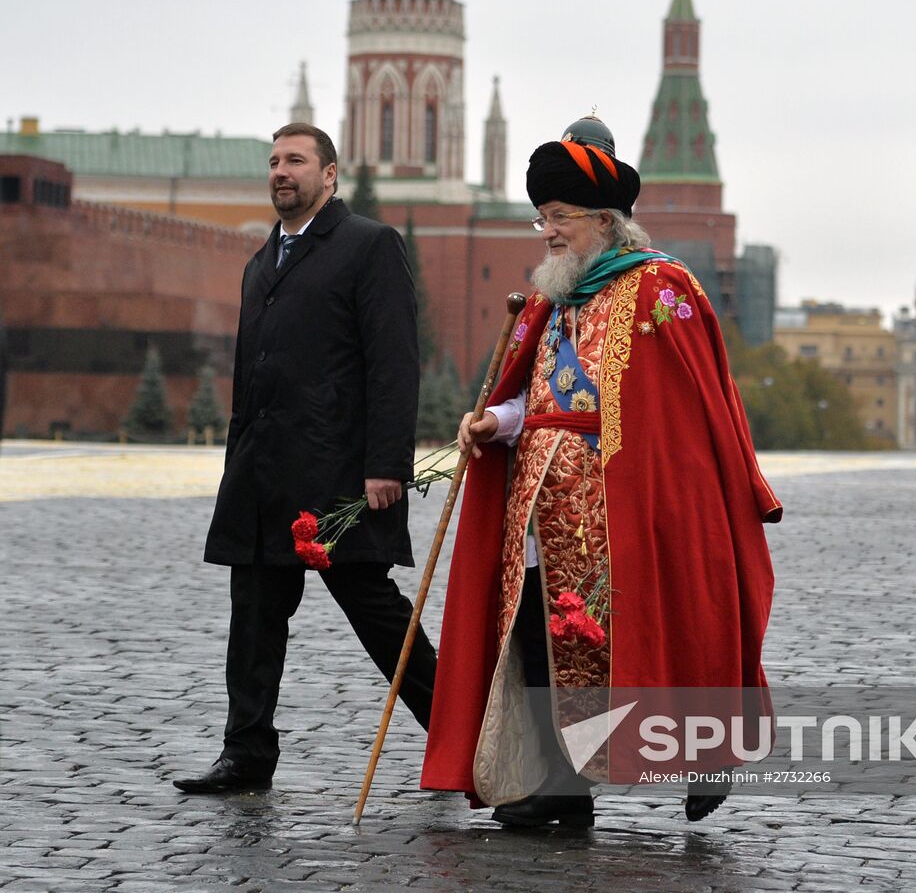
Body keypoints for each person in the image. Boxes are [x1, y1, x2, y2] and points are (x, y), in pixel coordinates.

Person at [420, 118, 782, 827]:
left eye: (558, 218)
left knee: (662, 627)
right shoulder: (550, 298)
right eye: (542, 219)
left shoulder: (662, 288)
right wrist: (496, 420)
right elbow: (538, 398)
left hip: (632, 505)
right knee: (534, 635)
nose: (547, 232)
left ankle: (703, 751)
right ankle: (558, 788)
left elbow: (697, 406)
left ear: (603, 220)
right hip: (537, 503)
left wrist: (705, 492)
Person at [174, 123, 435, 794]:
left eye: (295, 160)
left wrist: (386, 465)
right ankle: (246, 753)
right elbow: (249, 374)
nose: (280, 172)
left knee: (376, 613)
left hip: (338, 477)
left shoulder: (369, 246)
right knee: (254, 618)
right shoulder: (261, 263)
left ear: (330, 174)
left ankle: (464, 738)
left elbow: (393, 362)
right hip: (261, 479)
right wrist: (236, 464)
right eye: (272, 162)